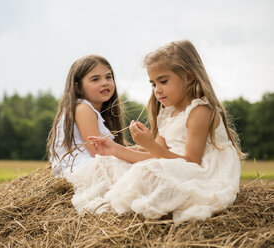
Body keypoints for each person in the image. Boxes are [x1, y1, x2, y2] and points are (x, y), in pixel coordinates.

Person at [67, 40, 245, 224]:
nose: (157, 90)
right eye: (153, 84)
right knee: (115, 164)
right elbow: (155, 155)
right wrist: (115, 150)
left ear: (189, 76)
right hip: (174, 165)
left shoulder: (200, 112)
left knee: (147, 171)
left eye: (163, 81)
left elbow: (191, 163)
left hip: (204, 172)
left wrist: (149, 144)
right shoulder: (168, 113)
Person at [47, 55, 125, 177]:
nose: (104, 83)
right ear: (78, 87)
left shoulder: (87, 109)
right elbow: (99, 153)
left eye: (108, 77)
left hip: (89, 167)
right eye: (95, 79)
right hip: (84, 170)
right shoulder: (83, 109)